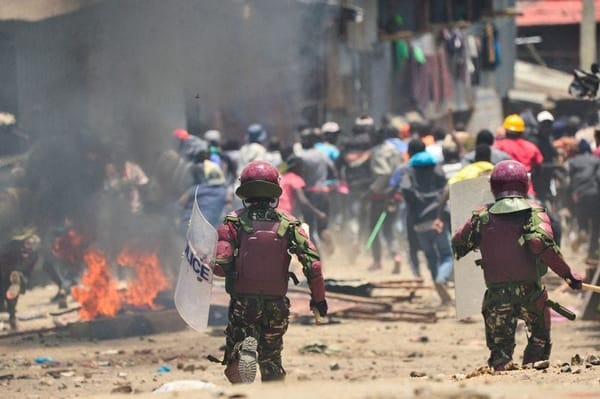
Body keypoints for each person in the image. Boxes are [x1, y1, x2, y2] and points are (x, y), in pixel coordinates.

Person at [451, 160, 583, 371]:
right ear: (524, 184)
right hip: (531, 293)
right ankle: (532, 376)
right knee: (539, 341)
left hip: (497, 295)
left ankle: (504, 377)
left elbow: (458, 243)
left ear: (494, 186)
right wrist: (568, 275)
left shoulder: (482, 217)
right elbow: (542, 245)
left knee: (500, 350)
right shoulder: (534, 212)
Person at [213, 160, 327, 383]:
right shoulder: (290, 223)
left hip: (244, 303)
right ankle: (272, 380)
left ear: (244, 189)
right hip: (276, 303)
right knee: (272, 357)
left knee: (236, 356)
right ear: (275, 188)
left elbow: (220, 266)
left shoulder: (233, 222)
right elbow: (314, 265)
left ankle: (242, 358)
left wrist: (205, 262)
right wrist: (319, 300)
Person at [400, 138, 453, 304]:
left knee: (430, 256)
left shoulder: (408, 170)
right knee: (446, 254)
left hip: (419, 221)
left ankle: (438, 284)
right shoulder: (436, 167)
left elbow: (406, 189)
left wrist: (416, 202)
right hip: (438, 218)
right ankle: (441, 279)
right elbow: (445, 188)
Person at [0, 229, 41, 329]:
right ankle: (7, 312)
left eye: (33, 244)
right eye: (28, 242)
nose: (30, 244)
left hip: (18, 276)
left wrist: (18, 274)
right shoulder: (14, 245)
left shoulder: (33, 255)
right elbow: (3, 256)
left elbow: (28, 269)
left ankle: (12, 317)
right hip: (5, 271)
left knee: (13, 292)